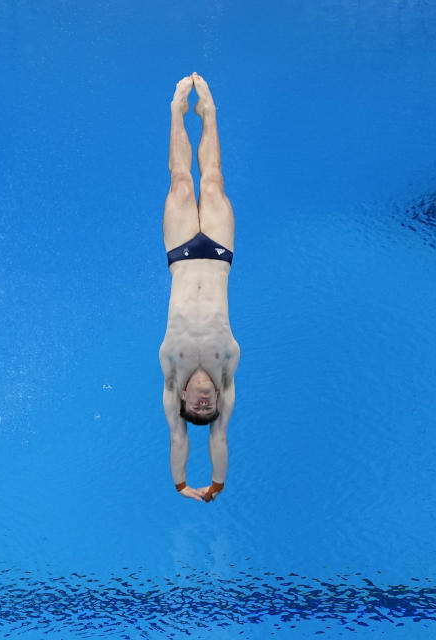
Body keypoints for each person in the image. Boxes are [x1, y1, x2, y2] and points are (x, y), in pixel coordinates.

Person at [159, 73, 240, 503]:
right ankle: (209, 115)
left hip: (181, 254)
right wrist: (216, 484)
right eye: (211, 408)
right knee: (211, 181)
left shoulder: (172, 367)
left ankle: (176, 112)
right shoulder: (226, 362)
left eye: (198, 407)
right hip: (220, 253)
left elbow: (178, 438)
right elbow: (219, 438)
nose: (206, 403)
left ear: (184, 397)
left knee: (180, 182)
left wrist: (182, 485)